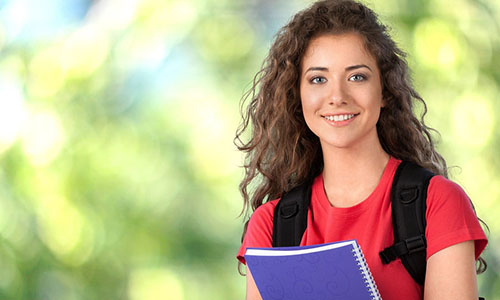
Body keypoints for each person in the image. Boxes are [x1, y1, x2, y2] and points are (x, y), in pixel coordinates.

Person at [234, 0, 488, 299]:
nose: (337, 96)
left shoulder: (438, 203)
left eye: (357, 76)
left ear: (384, 90)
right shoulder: (271, 225)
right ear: (297, 96)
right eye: (318, 79)